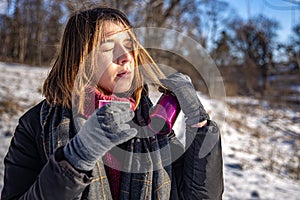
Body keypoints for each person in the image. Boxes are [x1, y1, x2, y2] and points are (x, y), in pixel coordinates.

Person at [1, 5, 223, 200]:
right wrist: (76, 158)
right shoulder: (36, 126)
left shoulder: (150, 121)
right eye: (108, 48)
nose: (126, 56)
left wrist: (200, 124)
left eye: (129, 45)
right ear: (80, 59)